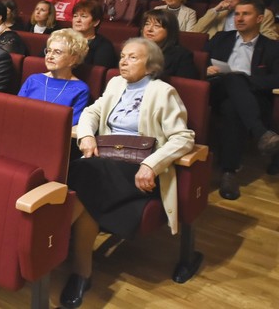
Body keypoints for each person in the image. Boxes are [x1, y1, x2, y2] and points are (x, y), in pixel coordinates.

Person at [61, 38, 195, 309]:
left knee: (81, 171)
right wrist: (86, 136)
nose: (123, 61)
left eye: (133, 57)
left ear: (150, 65)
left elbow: (184, 137)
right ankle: (81, 274)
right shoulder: (115, 84)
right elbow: (90, 113)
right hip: (105, 163)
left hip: (138, 170)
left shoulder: (163, 92)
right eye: (123, 56)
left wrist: (152, 165)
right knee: (86, 195)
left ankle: (48, 240)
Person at [206, 0, 279, 199]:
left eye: (246, 14)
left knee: (232, 107)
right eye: (237, 14)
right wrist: (207, 69)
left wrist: (247, 81)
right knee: (231, 81)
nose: (239, 18)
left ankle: (229, 172)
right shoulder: (221, 38)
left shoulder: (272, 47)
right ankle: (261, 133)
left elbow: (276, 77)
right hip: (217, 91)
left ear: (260, 18)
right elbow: (200, 59)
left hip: (254, 98)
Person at [18, 29, 90, 125]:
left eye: (57, 52)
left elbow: (70, 123)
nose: (50, 56)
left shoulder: (80, 89)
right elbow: (17, 112)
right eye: (49, 51)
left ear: (73, 59)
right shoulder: (33, 80)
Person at [194, 0, 277, 39]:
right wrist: (215, 10)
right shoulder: (218, 13)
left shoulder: (264, 13)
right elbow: (195, 32)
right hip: (218, 51)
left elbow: (271, 38)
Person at [141, 9, 197, 79]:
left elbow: (185, 85)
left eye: (157, 26)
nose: (149, 29)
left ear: (170, 30)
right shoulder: (134, 49)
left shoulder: (182, 56)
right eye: (147, 24)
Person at [72, 1, 117, 69]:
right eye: (75, 16)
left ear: (96, 22)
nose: (77, 20)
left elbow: (98, 73)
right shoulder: (64, 39)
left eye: (83, 16)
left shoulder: (104, 46)